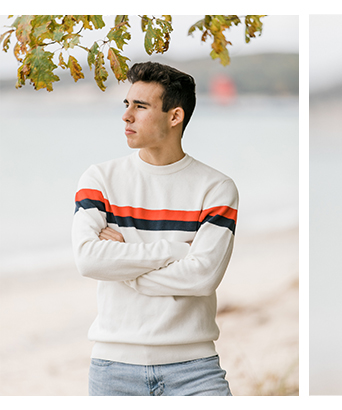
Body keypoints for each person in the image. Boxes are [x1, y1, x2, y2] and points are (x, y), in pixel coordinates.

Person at [71, 61, 238, 396]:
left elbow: (202, 278)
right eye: (127, 104)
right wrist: (176, 251)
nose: (126, 116)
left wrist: (122, 263)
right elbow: (88, 260)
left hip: (195, 369)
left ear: (174, 116)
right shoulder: (99, 179)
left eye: (140, 106)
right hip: (113, 370)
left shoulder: (216, 188)